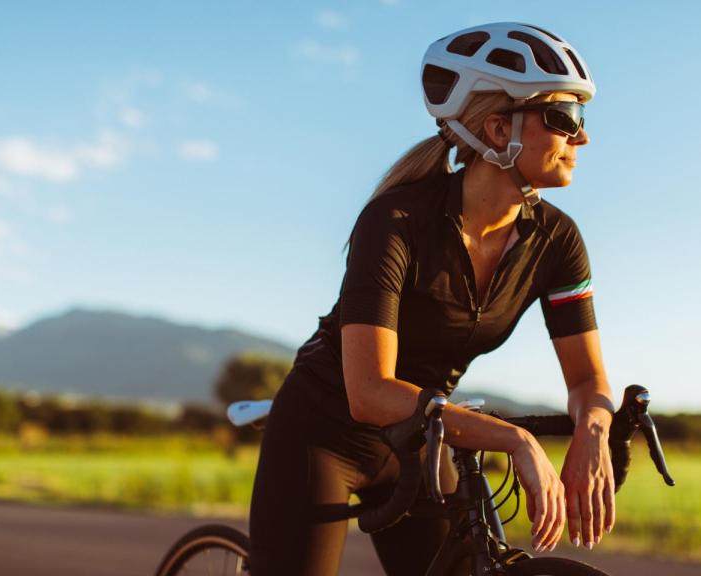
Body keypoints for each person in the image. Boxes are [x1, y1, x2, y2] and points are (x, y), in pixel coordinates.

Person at [249, 22, 616, 576]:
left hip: (423, 442)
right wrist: (513, 440)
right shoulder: (395, 221)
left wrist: (593, 432)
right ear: (498, 130)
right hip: (325, 433)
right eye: (564, 119)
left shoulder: (557, 241)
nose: (581, 138)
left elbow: (587, 383)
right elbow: (370, 392)